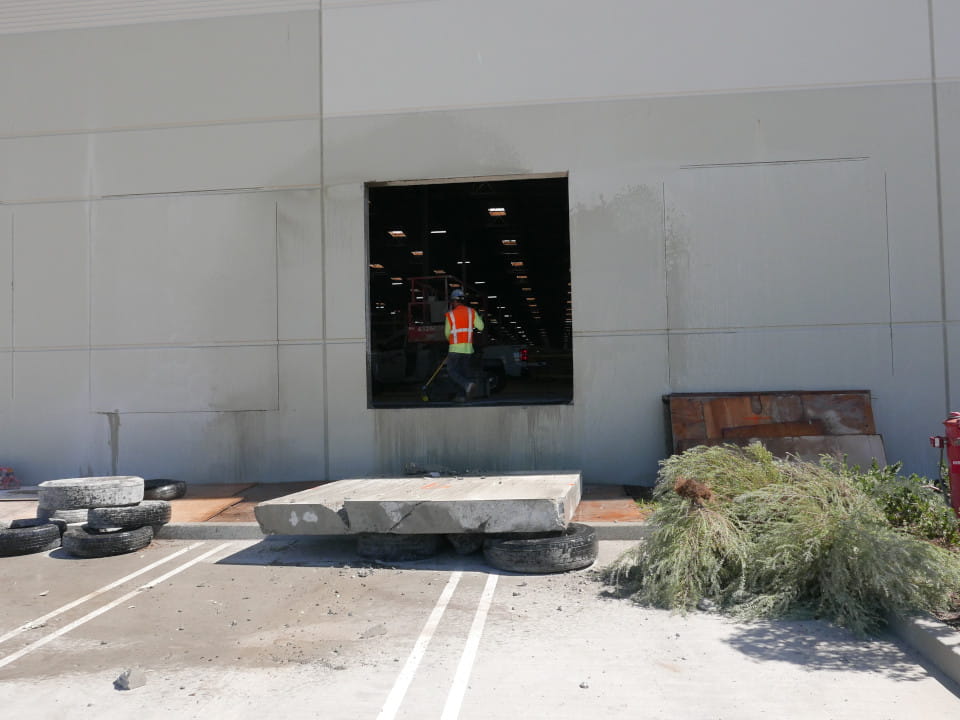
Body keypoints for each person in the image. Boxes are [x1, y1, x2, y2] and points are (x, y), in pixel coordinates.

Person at [443, 288, 484, 402]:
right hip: (468, 350)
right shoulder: (472, 312)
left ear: (454, 301)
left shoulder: (450, 315)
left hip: (455, 349)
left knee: (451, 371)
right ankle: (461, 396)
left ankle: (467, 385)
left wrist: (451, 341)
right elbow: (481, 327)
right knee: (463, 373)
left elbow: (447, 333)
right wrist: (479, 317)